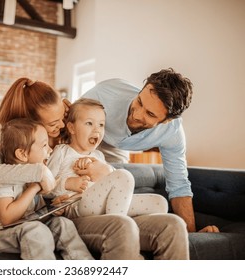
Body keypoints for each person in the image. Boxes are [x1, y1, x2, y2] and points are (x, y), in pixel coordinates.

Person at [0, 77, 189, 260]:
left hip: (93, 201)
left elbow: (101, 159)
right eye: (53, 124)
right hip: (77, 210)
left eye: (63, 116)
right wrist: (41, 175)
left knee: (173, 225)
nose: (62, 126)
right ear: (30, 125)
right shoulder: (20, 147)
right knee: (120, 225)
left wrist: (104, 172)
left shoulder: (76, 131)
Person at [79, 68, 219, 233]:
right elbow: (71, 123)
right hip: (90, 135)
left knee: (116, 186)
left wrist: (192, 235)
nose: (137, 114)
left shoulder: (172, 133)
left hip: (117, 150)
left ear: (166, 121)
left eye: (150, 114)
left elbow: (179, 185)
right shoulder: (105, 93)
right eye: (139, 101)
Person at [0, 118, 93, 260]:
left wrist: (53, 208)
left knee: (63, 224)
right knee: (36, 230)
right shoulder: (3, 178)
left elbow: (34, 216)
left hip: (24, 228)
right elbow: (7, 218)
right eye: (44, 145)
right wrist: (34, 187)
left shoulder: (37, 176)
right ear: (22, 154)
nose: (50, 149)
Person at [47, 98, 168, 218]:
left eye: (101, 125)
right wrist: (67, 183)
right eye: (89, 123)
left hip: (106, 203)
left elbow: (117, 183)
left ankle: (117, 217)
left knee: (159, 203)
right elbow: (45, 189)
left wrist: (106, 172)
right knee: (125, 175)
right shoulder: (62, 152)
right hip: (77, 205)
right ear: (71, 128)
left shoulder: (98, 156)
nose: (96, 129)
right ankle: (116, 222)